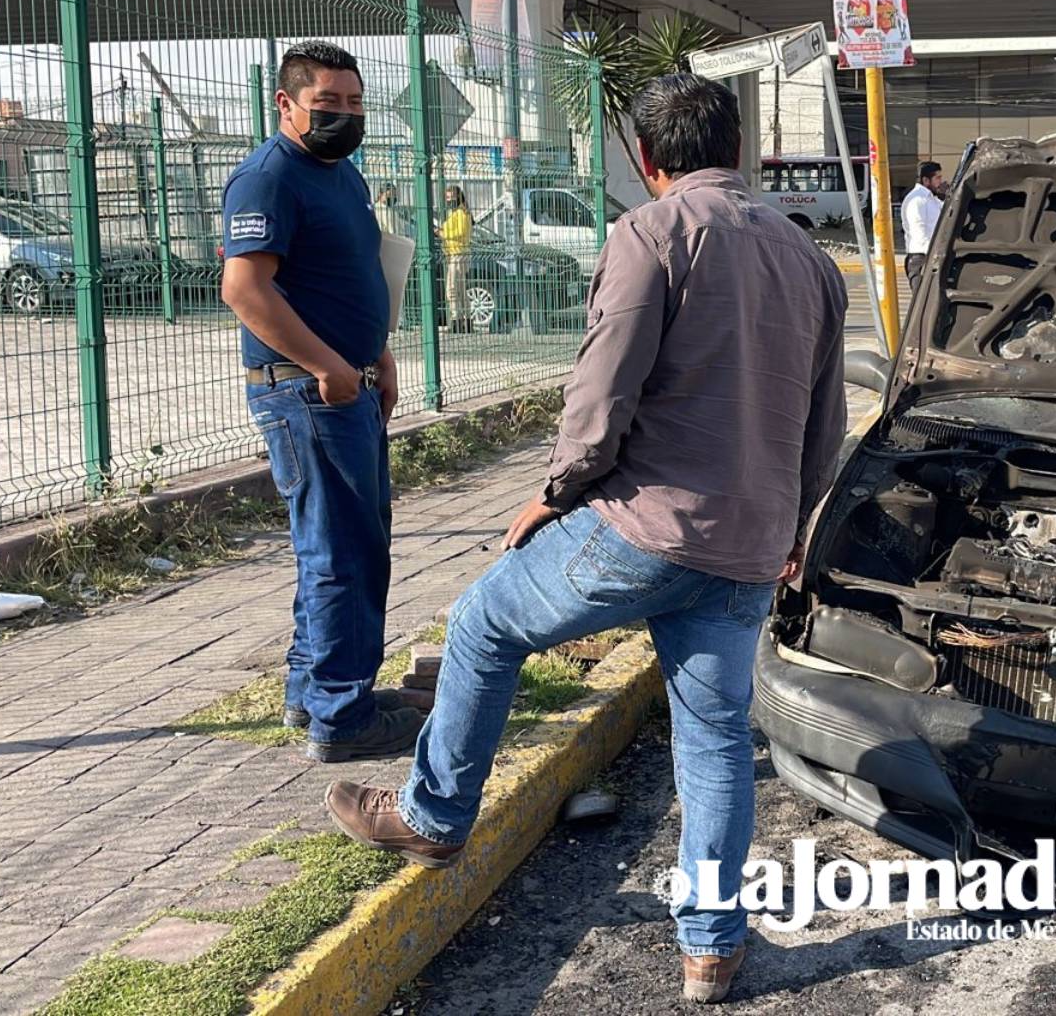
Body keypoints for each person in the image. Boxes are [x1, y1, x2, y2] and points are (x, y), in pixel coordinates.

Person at [323, 73, 849, 1005]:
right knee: (718, 741)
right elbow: (824, 419)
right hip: (750, 546)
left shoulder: (650, 234)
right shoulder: (806, 257)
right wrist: (797, 528)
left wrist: (554, 492)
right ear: (741, 152)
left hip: (647, 528)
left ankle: (433, 815)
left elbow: (602, 395)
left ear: (647, 161)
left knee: (486, 620)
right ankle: (710, 952)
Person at [219, 41, 421, 762]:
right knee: (342, 553)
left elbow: (352, 274)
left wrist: (379, 354)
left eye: (355, 103)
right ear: (286, 104)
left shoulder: (340, 174)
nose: (344, 116)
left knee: (342, 548)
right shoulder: (269, 178)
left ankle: (319, 696)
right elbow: (244, 290)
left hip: (346, 384)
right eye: (327, 105)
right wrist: (330, 366)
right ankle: (344, 717)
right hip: (308, 394)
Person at [901, 160, 945, 292]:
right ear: (926, 180)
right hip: (921, 258)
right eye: (937, 178)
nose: (940, 181)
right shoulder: (916, 200)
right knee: (922, 302)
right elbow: (920, 234)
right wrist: (935, 255)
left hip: (930, 256)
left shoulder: (931, 198)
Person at [440, 186, 473, 331]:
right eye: (447, 198)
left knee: (452, 289)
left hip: (459, 254)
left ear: (458, 197)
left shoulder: (461, 213)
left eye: (452, 197)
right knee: (460, 289)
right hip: (454, 254)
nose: (449, 200)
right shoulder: (456, 213)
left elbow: (459, 232)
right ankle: (466, 320)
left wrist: (441, 233)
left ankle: (457, 320)